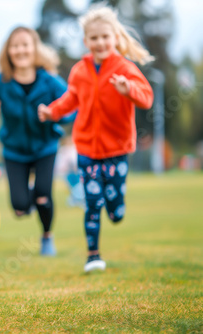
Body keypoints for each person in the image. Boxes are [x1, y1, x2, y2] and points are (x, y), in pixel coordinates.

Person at [38, 4, 154, 273]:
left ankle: (117, 205)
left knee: (114, 210)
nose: (100, 42)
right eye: (94, 38)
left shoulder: (124, 67)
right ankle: (93, 255)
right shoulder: (80, 70)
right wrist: (52, 112)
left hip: (117, 148)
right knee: (91, 203)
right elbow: (70, 99)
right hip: (87, 148)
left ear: (114, 37)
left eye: (105, 37)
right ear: (86, 41)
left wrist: (129, 90)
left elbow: (146, 97)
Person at [0, 26, 75, 256]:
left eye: (25, 44)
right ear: (9, 51)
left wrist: (54, 113)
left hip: (45, 147)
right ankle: (25, 196)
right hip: (14, 150)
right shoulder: (0, 81)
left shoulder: (50, 81)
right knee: (20, 207)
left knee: (43, 195)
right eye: (15, 45)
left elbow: (73, 106)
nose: (20, 50)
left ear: (34, 48)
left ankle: (47, 237)